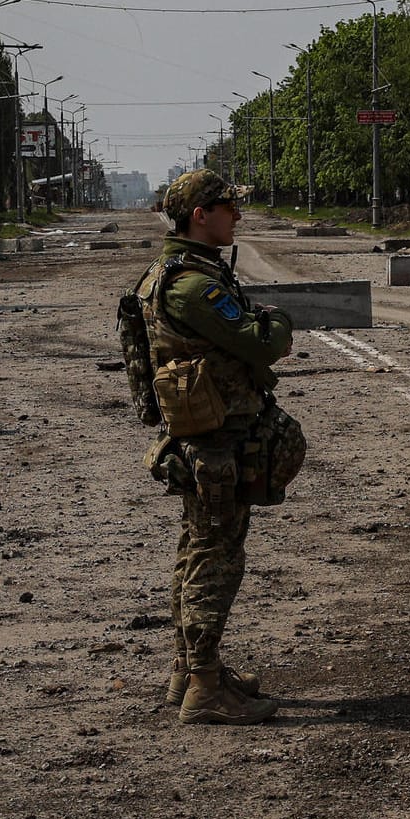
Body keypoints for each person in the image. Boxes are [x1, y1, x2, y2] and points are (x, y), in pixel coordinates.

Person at [137, 169, 295, 723]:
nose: (237, 215)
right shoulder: (190, 284)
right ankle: (204, 687)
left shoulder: (182, 273)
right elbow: (258, 343)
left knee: (197, 551)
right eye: (228, 207)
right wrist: (277, 322)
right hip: (216, 443)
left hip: (208, 437)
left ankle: (191, 671)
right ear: (199, 216)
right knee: (215, 558)